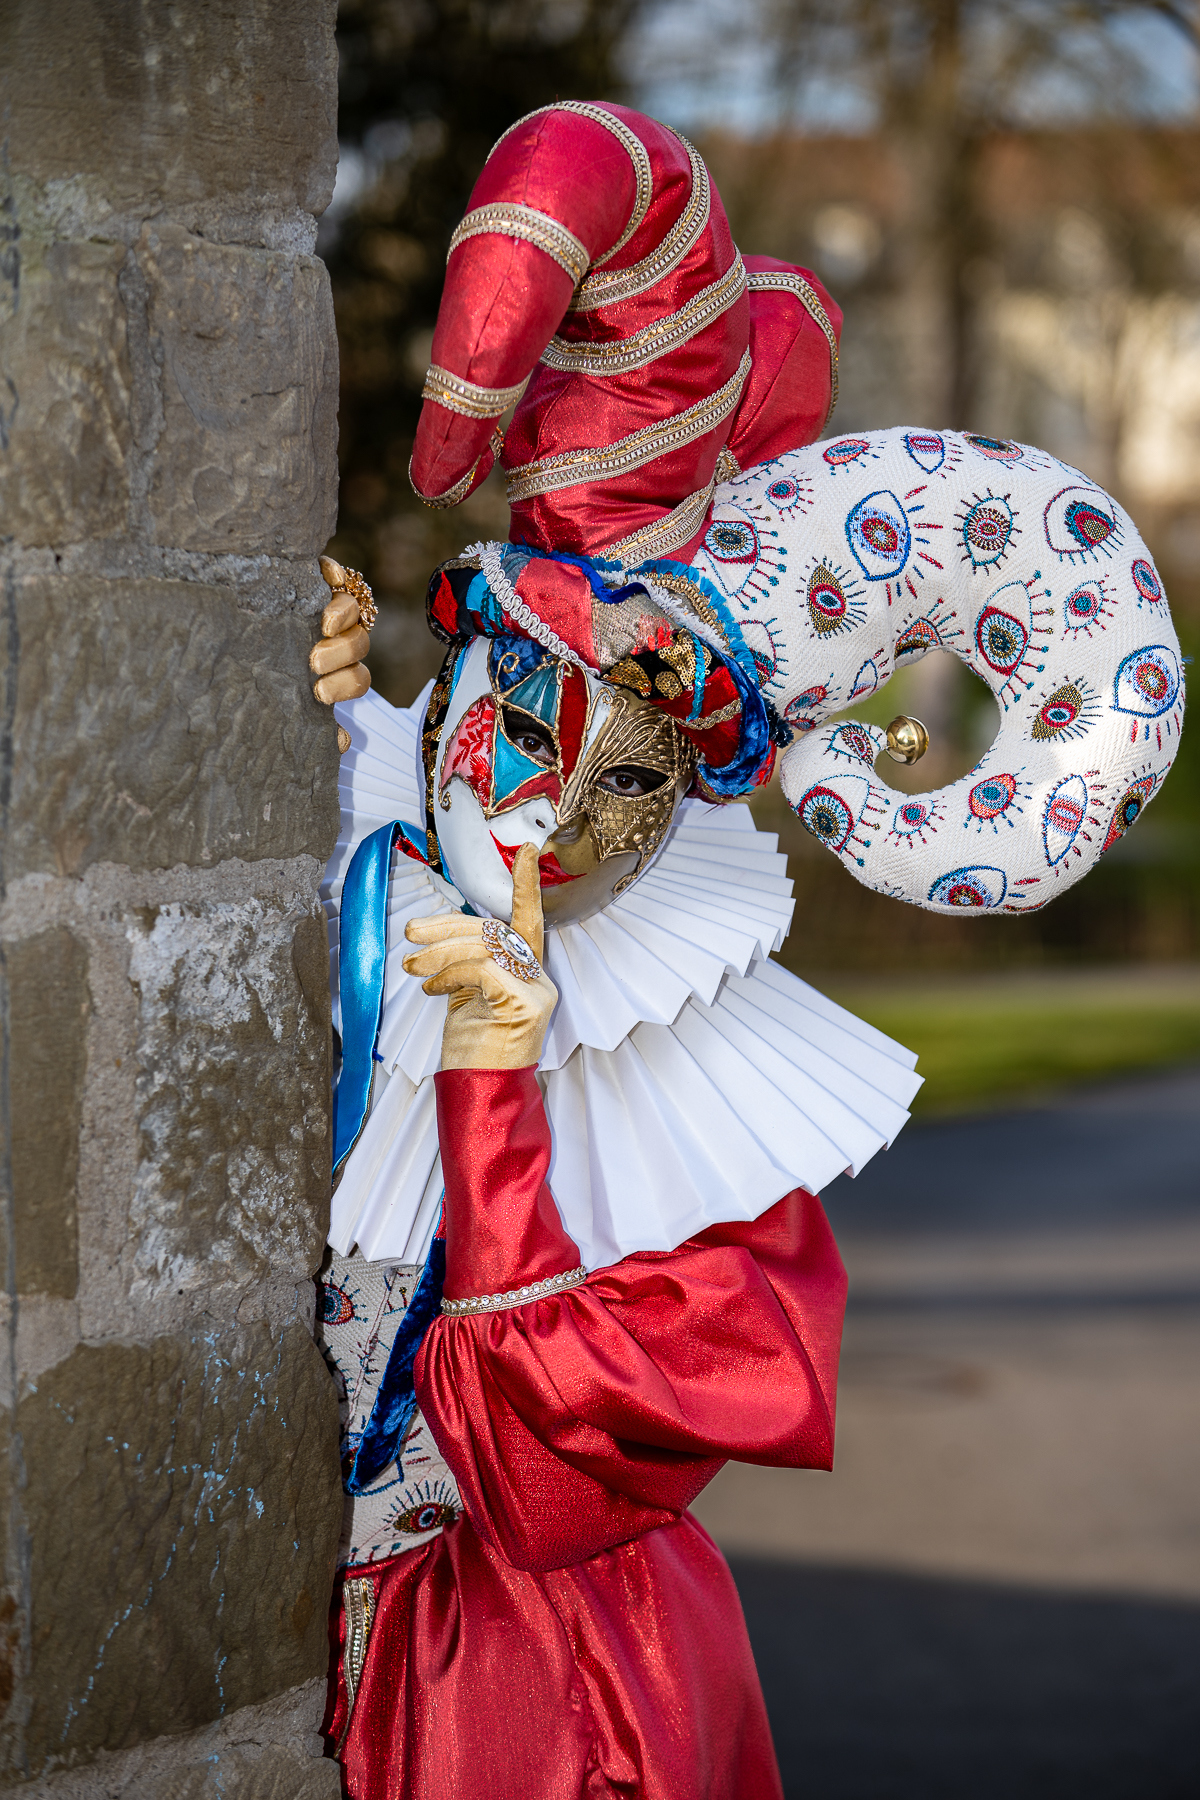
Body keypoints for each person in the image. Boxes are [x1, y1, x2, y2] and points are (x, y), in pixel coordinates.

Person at [310, 101, 1184, 1798]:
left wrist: (496, 1098)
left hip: (534, 1691)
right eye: (522, 711)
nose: (547, 813)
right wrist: (326, 713)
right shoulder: (389, 853)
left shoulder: (697, 1104)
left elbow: (547, 1478)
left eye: (632, 777)